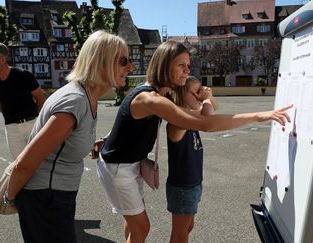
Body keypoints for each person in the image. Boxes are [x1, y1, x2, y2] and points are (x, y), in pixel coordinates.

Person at [94, 40, 292, 243]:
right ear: (164, 64)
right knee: (142, 227)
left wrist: (106, 138)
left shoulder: (160, 95)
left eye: (188, 65)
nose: (187, 71)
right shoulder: (151, 99)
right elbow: (206, 123)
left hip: (131, 163)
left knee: (134, 222)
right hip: (118, 166)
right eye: (181, 65)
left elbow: (126, 118)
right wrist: (260, 116)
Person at [5, 30, 133, 243]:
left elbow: (66, 140)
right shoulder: (74, 101)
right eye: (123, 61)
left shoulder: (87, 95)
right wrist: (9, 197)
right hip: (45, 196)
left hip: (57, 194)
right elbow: (24, 164)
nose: (130, 67)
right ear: (100, 62)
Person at [166, 76, 217, 243]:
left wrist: (209, 98)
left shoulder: (191, 115)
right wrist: (207, 99)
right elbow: (208, 118)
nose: (199, 95)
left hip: (193, 183)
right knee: (180, 235)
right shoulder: (177, 120)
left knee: (187, 228)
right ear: (182, 94)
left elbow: (212, 109)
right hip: (183, 186)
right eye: (196, 92)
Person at [0, 42, 46, 159]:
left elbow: (40, 98)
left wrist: (37, 121)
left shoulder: (23, 75)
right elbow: (0, 106)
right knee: (19, 164)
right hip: (12, 129)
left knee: (40, 161)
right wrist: (13, 119)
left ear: (2, 59)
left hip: (33, 124)